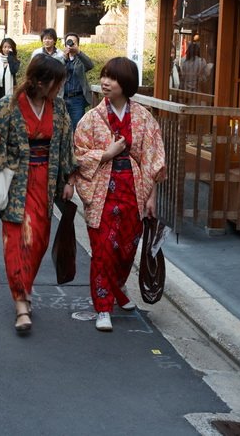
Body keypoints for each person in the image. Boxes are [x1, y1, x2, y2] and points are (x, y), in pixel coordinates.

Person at [0, 54, 77, 332]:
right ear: (38, 80)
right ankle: (21, 303)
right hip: (16, 182)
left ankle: (25, 287)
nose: (59, 87)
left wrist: (69, 178)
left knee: (38, 242)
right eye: (55, 82)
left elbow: (66, 146)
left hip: (45, 182)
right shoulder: (8, 105)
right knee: (16, 241)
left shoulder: (58, 108)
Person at [73, 57, 167, 332]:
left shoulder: (142, 117)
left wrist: (151, 196)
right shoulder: (92, 118)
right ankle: (103, 306)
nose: (104, 82)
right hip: (102, 188)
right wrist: (106, 153)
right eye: (103, 76)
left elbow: (153, 158)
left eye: (112, 78)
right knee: (103, 250)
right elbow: (78, 154)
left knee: (127, 248)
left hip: (134, 189)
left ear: (125, 84)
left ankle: (120, 291)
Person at [61, 32, 94, 130]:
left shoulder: (80, 59)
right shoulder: (61, 58)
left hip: (77, 99)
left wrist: (78, 52)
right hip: (62, 98)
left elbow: (90, 65)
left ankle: (76, 146)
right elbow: (54, 71)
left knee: (77, 127)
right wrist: (64, 58)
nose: (70, 45)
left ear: (77, 44)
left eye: (73, 42)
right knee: (62, 128)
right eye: (68, 42)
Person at [0, 37, 20, 105]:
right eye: (5, 47)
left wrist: (10, 58)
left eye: (9, 47)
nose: (7, 49)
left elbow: (13, 70)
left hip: (9, 91)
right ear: (1, 48)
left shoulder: (15, 62)